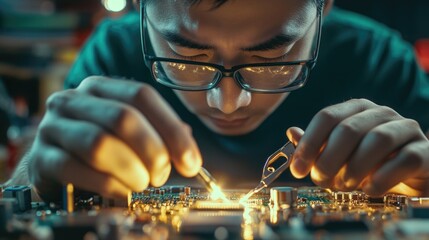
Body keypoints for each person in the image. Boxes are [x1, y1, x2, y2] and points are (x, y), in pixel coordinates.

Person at [5, 0, 429, 202]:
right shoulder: (110, 56)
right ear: (139, 7)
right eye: (187, 57)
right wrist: (35, 173)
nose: (228, 102)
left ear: (324, 7)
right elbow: (30, 178)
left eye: (270, 58)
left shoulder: (382, 65)